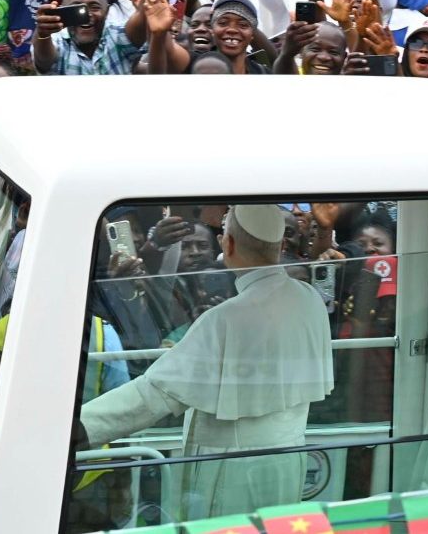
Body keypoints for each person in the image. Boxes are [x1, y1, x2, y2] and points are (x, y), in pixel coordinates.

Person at [78, 205, 334, 519]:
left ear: (228, 245)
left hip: (234, 472)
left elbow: (153, 395)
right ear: (280, 246)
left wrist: (77, 427)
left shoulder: (225, 318)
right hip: (289, 461)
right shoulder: (309, 298)